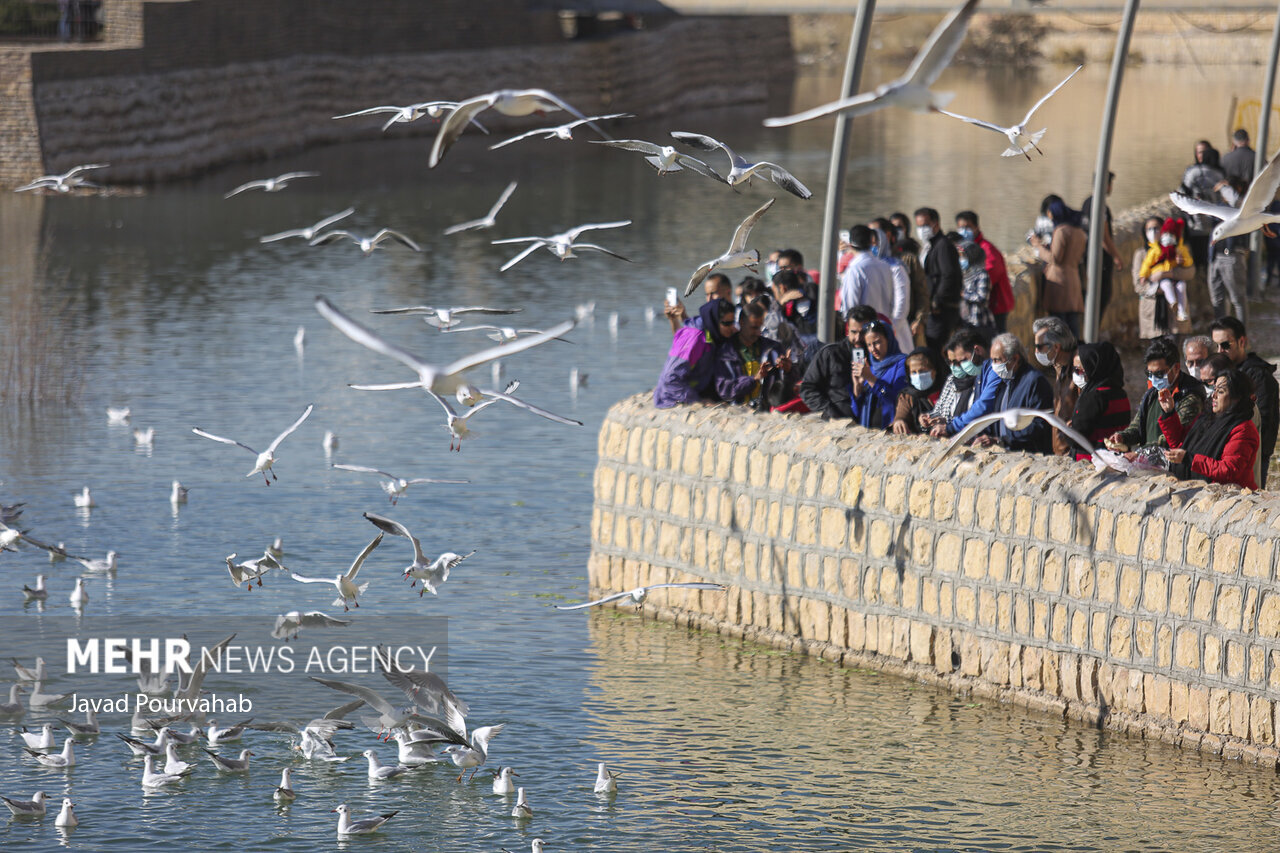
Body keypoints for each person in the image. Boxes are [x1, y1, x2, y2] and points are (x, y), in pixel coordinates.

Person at [1159, 368, 1260, 489]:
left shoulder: (1243, 430)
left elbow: (1228, 470)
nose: (1214, 395)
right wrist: (1169, 412)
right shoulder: (1207, 418)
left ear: (1236, 397)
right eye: (1214, 390)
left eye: (1221, 392)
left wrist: (1190, 459)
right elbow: (1181, 444)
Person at [1210, 316, 1279, 486]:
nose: (1220, 351)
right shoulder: (1219, 373)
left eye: (1225, 345)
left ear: (1242, 341)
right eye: (1216, 345)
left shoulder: (1259, 377)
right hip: (1221, 457)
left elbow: (1264, 423)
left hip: (1249, 459)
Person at [1105, 337, 1204, 453]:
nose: (1154, 379)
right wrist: (1122, 437)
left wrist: (1140, 453)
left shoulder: (1190, 397)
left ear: (1176, 368)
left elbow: (1173, 439)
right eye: (1149, 373)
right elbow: (1137, 426)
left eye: (1159, 373)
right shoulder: (1152, 394)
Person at [971, 333, 1055, 454]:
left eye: (997, 360)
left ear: (1015, 358)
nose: (993, 365)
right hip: (996, 452)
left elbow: (1040, 424)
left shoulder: (1034, 381)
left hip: (1026, 454)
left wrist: (1003, 440)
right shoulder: (998, 379)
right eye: (992, 360)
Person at [653, 299, 735, 408]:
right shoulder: (694, 338)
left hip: (698, 389)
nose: (732, 327)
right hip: (672, 398)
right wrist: (697, 401)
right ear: (714, 321)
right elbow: (671, 378)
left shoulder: (713, 334)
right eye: (727, 323)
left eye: (733, 322)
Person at [799, 304, 877, 419]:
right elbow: (808, 389)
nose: (858, 338)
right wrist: (829, 411)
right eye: (854, 332)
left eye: (863, 332)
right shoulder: (831, 354)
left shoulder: (881, 357)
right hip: (837, 425)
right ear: (847, 329)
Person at [714, 300, 796, 407]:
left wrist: (788, 370)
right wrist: (753, 379)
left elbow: (789, 387)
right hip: (737, 413)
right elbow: (724, 391)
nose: (758, 332)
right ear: (741, 323)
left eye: (760, 327)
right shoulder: (725, 353)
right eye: (753, 327)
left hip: (769, 411)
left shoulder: (774, 349)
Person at [1029, 197, 1087, 340]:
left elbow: (1055, 258)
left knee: (1058, 325)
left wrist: (1037, 245)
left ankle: (1063, 358)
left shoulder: (1061, 231)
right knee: (1072, 323)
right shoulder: (1079, 231)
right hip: (1073, 279)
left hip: (1059, 282)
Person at [926, 329, 1000, 439]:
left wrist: (951, 427)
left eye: (963, 360)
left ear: (977, 350)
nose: (959, 366)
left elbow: (983, 407)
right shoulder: (981, 373)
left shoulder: (995, 370)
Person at [1069, 341, 1131, 461]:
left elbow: (1076, 438)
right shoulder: (1121, 394)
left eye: (1079, 370)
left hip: (1091, 462)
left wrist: (1067, 431)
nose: (1075, 375)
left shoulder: (1093, 398)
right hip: (1118, 460)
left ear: (1093, 368)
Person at [1133, 216, 1190, 339]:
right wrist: (1158, 288)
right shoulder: (1141, 254)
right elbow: (1138, 285)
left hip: (1174, 317)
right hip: (1152, 312)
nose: (1153, 232)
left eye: (1156, 228)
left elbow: (1190, 271)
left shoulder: (1177, 250)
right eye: (1149, 229)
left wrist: (1167, 274)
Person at [955, 211, 1013, 332]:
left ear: (977, 227)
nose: (964, 231)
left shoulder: (986, 249)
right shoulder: (965, 248)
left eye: (967, 227)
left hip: (996, 305)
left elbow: (989, 275)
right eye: (960, 227)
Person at [914, 207, 962, 354]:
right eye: (919, 226)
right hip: (935, 308)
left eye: (925, 225)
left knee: (935, 348)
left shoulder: (943, 246)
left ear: (935, 224)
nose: (921, 229)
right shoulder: (931, 246)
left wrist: (936, 300)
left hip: (941, 309)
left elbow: (948, 275)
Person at [1079, 171, 1125, 323]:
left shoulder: (1087, 202)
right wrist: (1117, 257)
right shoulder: (1100, 205)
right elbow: (1103, 236)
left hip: (1087, 257)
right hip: (1100, 260)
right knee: (1101, 297)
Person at [1031, 316, 1080, 457]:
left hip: (1075, 455)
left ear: (1056, 347)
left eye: (1039, 347)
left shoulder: (1079, 370)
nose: (1036, 352)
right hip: (1060, 454)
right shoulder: (1059, 367)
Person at [1178, 140, 1227, 275]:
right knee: (1211, 260)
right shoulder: (1219, 174)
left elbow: (1181, 194)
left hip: (1195, 224)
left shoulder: (1191, 172)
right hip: (1213, 225)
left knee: (1199, 259)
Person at [849, 320, 909, 430]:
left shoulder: (902, 364)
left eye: (877, 342)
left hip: (890, 431)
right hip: (869, 433)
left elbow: (897, 400)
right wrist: (857, 387)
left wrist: (872, 379)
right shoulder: (870, 368)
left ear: (889, 340)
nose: (873, 349)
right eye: (869, 345)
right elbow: (856, 412)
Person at [838, 225, 896, 335]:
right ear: (871, 241)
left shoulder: (855, 269)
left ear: (850, 244)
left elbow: (850, 307)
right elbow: (893, 300)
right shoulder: (885, 266)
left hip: (864, 333)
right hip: (884, 329)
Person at [867, 218, 914, 352]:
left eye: (874, 243)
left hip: (895, 332)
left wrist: (890, 328)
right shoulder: (868, 268)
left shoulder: (896, 268)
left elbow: (902, 304)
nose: (872, 246)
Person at [1208, 177, 1250, 323]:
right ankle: (1221, 336)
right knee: (1217, 299)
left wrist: (1226, 188)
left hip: (1232, 256)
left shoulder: (1241, 209)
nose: (1222, 192)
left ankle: (1242, 338)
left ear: (1236, 189)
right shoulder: (1218, 207)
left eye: (1226, 189)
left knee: (1237, 298)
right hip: (1215, 257)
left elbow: (1236, 203)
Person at [892, 347, 945, 435]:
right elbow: (901, 414)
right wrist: (899, 421)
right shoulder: (908, 396)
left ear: (934, 371)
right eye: (913, 372)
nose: (918, 376)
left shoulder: (948, 390)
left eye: (922, 371)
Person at [665, 273, 731, 333]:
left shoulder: (737, 317)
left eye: (713, 293)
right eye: (707, 294)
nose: (709, 299)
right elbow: (682, 340)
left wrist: (684, 318)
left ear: (728, 292)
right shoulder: (707, 318)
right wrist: (673, 319)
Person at [957, 241, 995, 336]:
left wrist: (964, 294)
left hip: (978, 322)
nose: (961, 259)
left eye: (963, 256)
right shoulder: (964, 275)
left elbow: (982, 297)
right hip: (965, 321)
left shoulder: (982, 274)